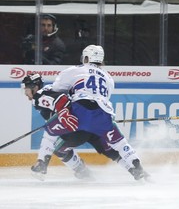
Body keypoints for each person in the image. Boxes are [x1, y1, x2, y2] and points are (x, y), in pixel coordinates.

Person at [46, 45, 149, 180]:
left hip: (80, 112)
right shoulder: (109, 78)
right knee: (118, 144)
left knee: (56, 145)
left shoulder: (74, 70)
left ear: (87, 58)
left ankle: (79, 169)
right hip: (104, 113)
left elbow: (56, 89)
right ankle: (137, 168)